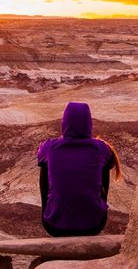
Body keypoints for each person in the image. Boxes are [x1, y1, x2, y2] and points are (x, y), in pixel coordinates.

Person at [36, 101, 122, 237]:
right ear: (89, 123)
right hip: (94, 225)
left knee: (45, 166)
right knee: (103, 167)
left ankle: (49, 209)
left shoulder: (50, 147)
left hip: (54, 226)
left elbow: (39, 157)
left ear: (64, 122)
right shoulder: (100, 148)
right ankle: (99, 206)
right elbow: (110, 162)